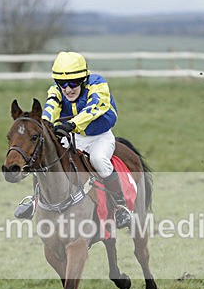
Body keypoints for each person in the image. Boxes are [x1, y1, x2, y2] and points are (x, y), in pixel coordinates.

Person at [14, 51, 131, 228]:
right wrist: (44, 124)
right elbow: (51, 106)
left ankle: (121, 206)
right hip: (75, 136)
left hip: (100, 137)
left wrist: (71, 124)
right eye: (62, 83)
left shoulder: (98, 84)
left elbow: (94, 108)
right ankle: (34, 201)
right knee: (48, 158)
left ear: (84, 79)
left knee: (98, 160)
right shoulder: (56, 91)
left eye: (73, 83)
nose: (68, 89)